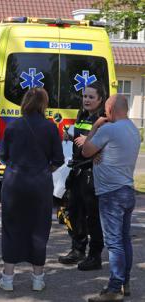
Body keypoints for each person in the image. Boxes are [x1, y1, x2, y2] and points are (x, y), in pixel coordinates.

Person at [0, 88, 64, 291]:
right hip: (40, 184)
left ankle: (8, 279)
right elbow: (58, 160)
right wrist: (43, 168)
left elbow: (3, 156)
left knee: (11, 228)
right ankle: (37, 279)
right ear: (43, 104)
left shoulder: (12, 126)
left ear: (25, 103)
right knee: (39, 229)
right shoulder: (50, 127)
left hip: (14, 183)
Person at [82, 94, 140, 302]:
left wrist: (95, 126)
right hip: (127, 190)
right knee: (124, 240)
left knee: (114, 243)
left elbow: (86, 150)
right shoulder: (133, 130)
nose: (105, 114)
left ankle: (114, 289)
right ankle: (125, 282)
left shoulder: (108, 129)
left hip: (111, 193)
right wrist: (102, 151)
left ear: (112, 109)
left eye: (106, 111)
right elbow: (108, 151)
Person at [58, 82, 106, 271]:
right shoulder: (82, 115)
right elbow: (79, 138)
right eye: (85, 96)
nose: (86, 100)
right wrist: (69, 136)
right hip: (77, 170)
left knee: (92, 216)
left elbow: (106, 142)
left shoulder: (103, 119)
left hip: (91, 172)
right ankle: (78, 250)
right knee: (74, 211)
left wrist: (90, 139)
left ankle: (95, 256)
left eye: (91, 97)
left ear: (100, 100)